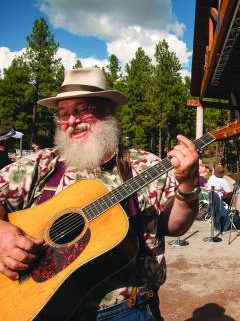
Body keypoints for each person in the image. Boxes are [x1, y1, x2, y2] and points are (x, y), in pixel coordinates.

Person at [0, 67, 200, 320]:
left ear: (108, 112)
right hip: (43, 307)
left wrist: (188, 186)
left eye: (82, 110)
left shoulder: (145, 165)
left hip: (130, 308)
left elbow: (173, 226)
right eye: (63, 114)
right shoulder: (41, 165)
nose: (72, 121)